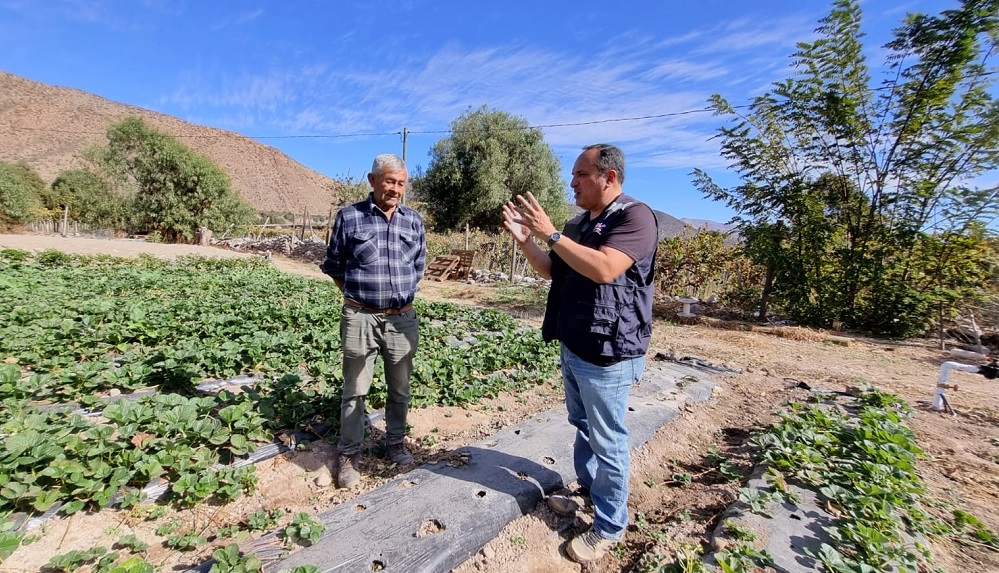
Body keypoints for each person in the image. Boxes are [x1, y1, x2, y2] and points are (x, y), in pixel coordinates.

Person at [501, 143, 658, 563]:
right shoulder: (578, 223)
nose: (572, 182)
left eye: (580, 175)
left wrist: (550, 233)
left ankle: (609, 526)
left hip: (608, 351)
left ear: (609, 177)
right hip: (575, 342)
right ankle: (589, 490)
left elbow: (605, 268)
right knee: (582, 424)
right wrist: (527, 241)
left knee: (608, 439)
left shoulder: (634, 217)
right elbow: (554, 269)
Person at [320, 153, 426, 489]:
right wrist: (359, 297)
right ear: (373, 180)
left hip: (402, 319)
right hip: (360, 316)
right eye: (389, 181)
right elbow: (335, 265)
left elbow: (418, 266)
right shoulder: (349, 217)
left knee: (401, 388)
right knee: (354, 390)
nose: (395, 189)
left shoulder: (414, 221)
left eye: (401, 183)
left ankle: (394, 442)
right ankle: (350, 454)